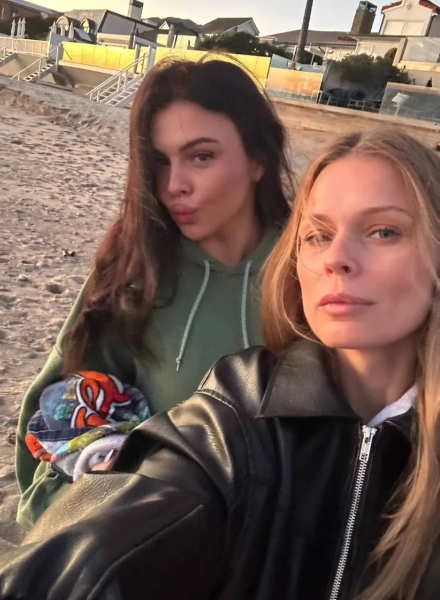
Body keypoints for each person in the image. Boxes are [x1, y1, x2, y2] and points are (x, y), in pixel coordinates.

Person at [0, 127, 439, 600]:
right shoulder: (237, 413)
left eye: (384, 231)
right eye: (318, 235)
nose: (337, 258)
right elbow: (88, 549)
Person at [15, 58, 294, 529]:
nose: (173, 186)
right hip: (159, 542)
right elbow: (53, 415)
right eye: (160, 162)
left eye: (201, 156)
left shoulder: (315, 273)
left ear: (258, 159)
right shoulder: (137, 271)